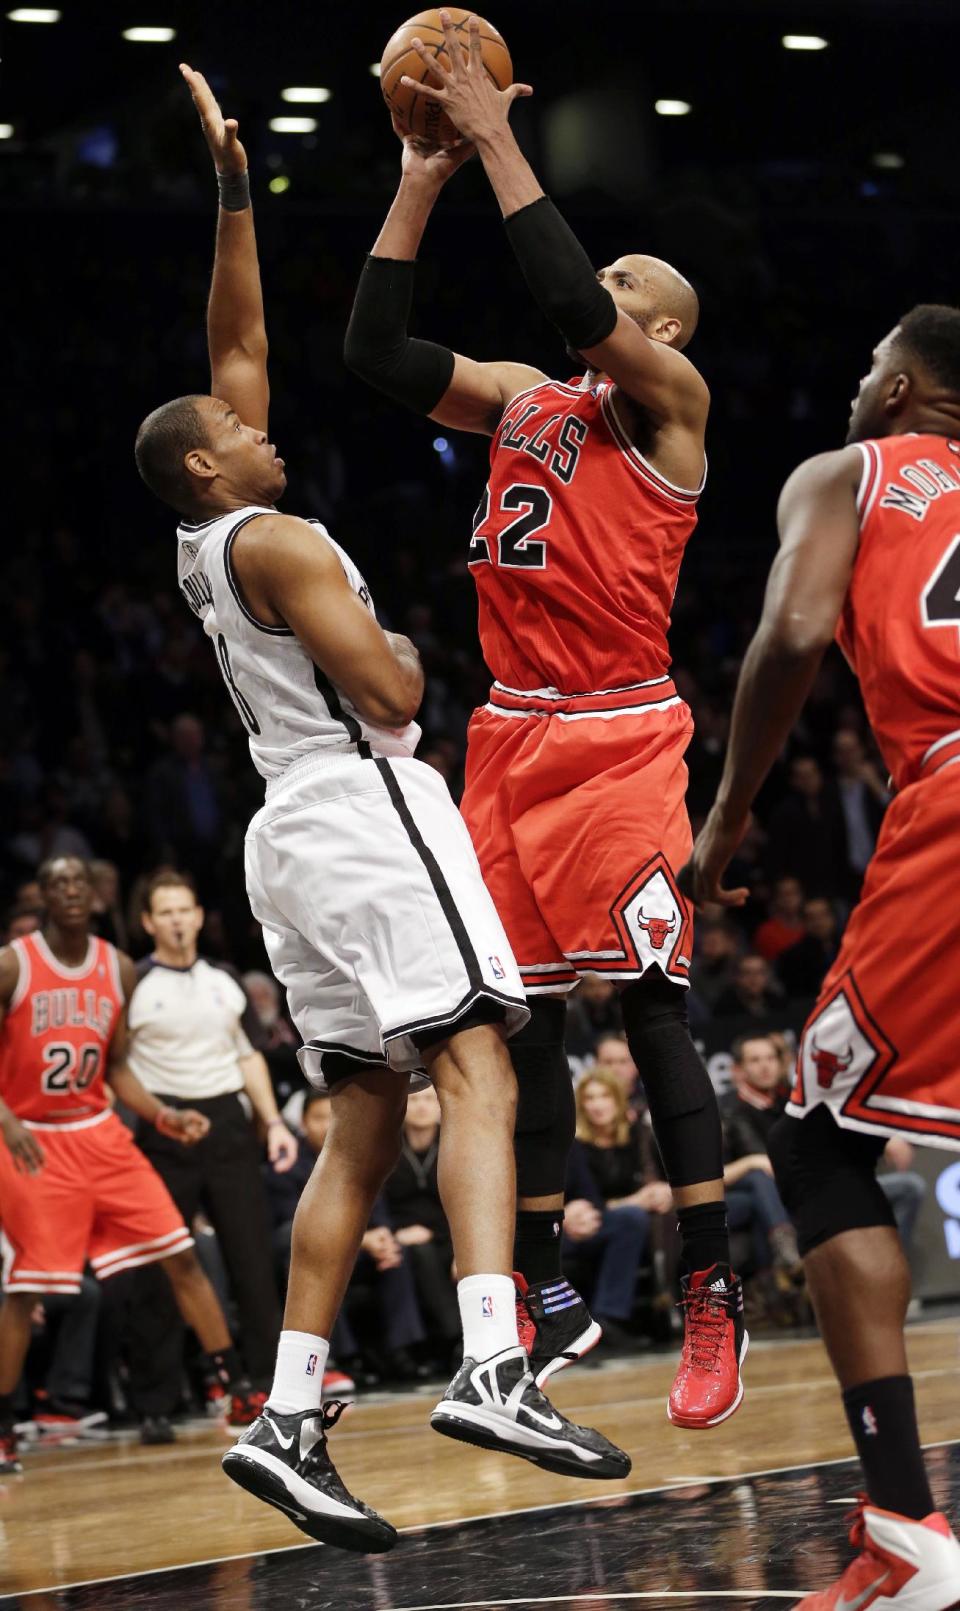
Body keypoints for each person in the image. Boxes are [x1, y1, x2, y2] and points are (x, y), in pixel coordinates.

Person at [132, 67, 627, 1554]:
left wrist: (235, 193)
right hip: (365, 800)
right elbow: (401, 694)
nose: (261, 422)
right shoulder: (276, 537)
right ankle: (495, 1361)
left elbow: (239, 339)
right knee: (477, 1056)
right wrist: (401, 648)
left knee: (360, 1115)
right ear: (211, 464)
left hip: (291, 835)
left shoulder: (208, 537)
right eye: (241, 427)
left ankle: (285, 1415)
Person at [346, 10, 744, 1433]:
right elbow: (376, 346)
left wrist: (502, 133)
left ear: (667, 326)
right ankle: (548, 1296)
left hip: (625, 728)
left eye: (631, 275)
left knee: (649, 1007)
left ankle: (712, 1280)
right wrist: (421, 174)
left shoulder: (673, 406)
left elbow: (580, 299)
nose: (598, 281)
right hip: (510, 734)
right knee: (509, 1020)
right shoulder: (522, 396)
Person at [682, 303, 960, 1605]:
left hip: (953, 788)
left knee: (818, 1141)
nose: (855, 386)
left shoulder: (852, 470)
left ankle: (904, 1526)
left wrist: (728, 808)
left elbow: (792, 633)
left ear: (902, 386)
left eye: (864, 369)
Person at [0, 856, 254, 1473]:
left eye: (78, 882)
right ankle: (5, 1420)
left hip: (99, 1132)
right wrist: (5, 1119)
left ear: (94, 894)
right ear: (43, 895)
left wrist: (163, 1115)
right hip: (30, 1135)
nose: (68, 891)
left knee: (183, 1253)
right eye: (56, 882)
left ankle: (239, 1391)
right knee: (27, 1287)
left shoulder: (116, 967)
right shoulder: (14, 961)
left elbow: (114, 1067)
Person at [123, 868, 297, 1443]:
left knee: (251, 1262)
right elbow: (114, 1065)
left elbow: (248, 1056)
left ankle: (272, 1392)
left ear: (199, 916)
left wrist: (271, 1121)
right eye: (164, 911)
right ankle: (157, 1401)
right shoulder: (133, 982)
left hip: (226, 1125)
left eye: (185, 909)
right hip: (163, 1127)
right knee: (165, 1268)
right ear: (148, 922)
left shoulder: (225, 979)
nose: (177, 920)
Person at [267, 1091, 426, 1381]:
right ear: (303, 1123)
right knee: (299, 1249)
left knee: (394, 1251)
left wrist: (382, 1239)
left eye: (333, 1117)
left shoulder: (359, 1156)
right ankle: (341, 1358)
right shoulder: (288, 1162)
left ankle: (400, 1350)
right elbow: (291, 1224)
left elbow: (377, 1209)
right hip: (310, 1251)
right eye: (318, 1118)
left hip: (357, 1251)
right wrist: (362, 1240)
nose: (327, 1125)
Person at [564, 1071, 674, 1352]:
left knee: (663, 1219)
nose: (597, 1105)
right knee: (632, 1219)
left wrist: (663, 1191)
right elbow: (592, 1204)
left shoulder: (638, 1137)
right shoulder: (574, 1145)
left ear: (618, 1101)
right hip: (581, 1226)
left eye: (604, 1097)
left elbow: (659, 1178)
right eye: (590, 1098)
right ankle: (608, 1318)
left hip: (623, 1222)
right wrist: (636, 1201)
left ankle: (670, 1308)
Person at [383, 1085, 461, 1360]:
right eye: (414, 1099)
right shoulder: (387, 1147)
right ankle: (452, 1337)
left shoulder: (456, 1143)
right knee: (415, 1254)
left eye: (430, 1099)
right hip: (402, 1237)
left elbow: (464, 1202)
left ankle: (449, 1340)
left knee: (430, 1253)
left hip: (450, 1235)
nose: (422, 1106)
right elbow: (378, 1201)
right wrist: (395, 1232)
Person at [720, 1036, 803, 1286]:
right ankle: (785, 1252)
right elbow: (716, 1173)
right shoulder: (725, 1108)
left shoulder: (789, 1102)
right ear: (738, 1070)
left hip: (781, 1187)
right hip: (734, 1189)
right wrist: (753, 1162)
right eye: (755, 1060)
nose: (765, 1066)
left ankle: (776, 1283)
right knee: (759, 1180)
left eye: (770, 1058)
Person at [776, 896, 842, 999]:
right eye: (811, 918)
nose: (819, 922)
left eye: (823, 915)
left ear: (833, 917)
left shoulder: (849, 947)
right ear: (804, 922)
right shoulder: (792, 957)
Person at [712, 953, 784, 1019]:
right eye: (747, 973)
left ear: (767, 976)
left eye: (760, 972)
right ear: (737, 977)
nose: (754, 979)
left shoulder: (777, 1003)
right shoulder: (724, 1008)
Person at [752, 876, 806, 963]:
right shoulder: (766, 932)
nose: (789, 898)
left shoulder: (812, 926)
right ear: (776, 898)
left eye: (793, 892)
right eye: (784, 894)